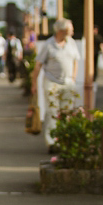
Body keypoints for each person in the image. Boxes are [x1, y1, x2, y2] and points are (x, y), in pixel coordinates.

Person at [31, 18, 79, 149]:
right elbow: (38, 65)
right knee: (53, 112)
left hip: (67, 82)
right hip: (51, 82)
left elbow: (76, 60)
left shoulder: (71, 43)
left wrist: (73, 77)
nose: (73, 31)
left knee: (67, 112)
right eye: (71, 28)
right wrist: (34, 83)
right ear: (62, 30)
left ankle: (64, 140)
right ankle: (52, 142)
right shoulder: (48, 44)